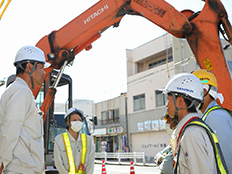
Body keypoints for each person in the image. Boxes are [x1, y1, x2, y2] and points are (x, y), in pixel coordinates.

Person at [161, 73, 228, 174]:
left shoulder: (191, 134)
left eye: (168, 99)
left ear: (180, 101)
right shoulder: (189, 131)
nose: (166, 104)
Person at [0, 46, 46, 173]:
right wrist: (1, 162)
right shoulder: (21, 92)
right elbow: (10, 130)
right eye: (41, 67)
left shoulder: (19, 90)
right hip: (21, 169)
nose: (44, 72)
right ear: (29, 67)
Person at [192, 69, 232, 174]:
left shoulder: (216, 117)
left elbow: (226, 161)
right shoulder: (210, 115)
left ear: (204, 92)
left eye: (192, 93)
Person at [54, 107, 95, 174]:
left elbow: (91, 164)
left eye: (80, 120)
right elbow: (58, 164)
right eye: (74, 120)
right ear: (67, 122)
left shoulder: (89, 140)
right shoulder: (59, 140)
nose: (78, 122)